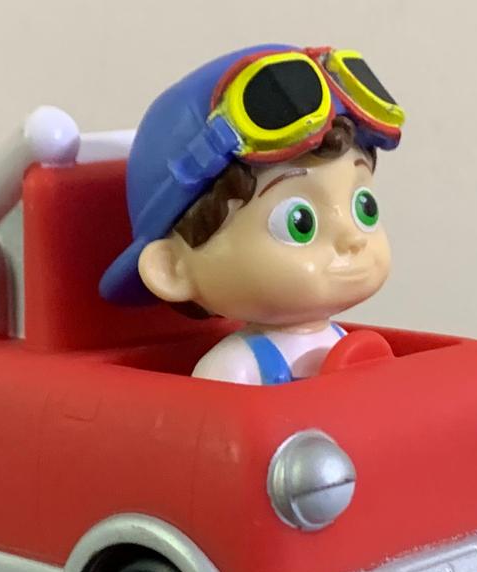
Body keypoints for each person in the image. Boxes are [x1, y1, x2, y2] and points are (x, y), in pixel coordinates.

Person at [99, 45, 404, 384]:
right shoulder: (237, 368)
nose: (353, 238)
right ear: (171, 268)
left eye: (364, 207)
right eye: (300, 222)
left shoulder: (346, 343)